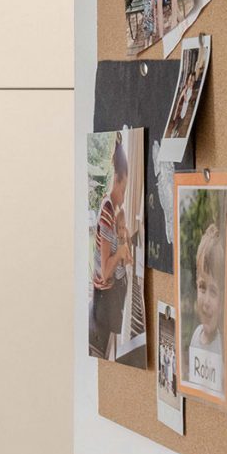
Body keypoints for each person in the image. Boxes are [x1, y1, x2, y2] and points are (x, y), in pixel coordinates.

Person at [89, 136, 130, 360]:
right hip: (103, 300)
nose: (124, 199)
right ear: (117, 179)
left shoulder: (113, 210)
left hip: (109, 296)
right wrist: (121, 254)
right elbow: (105, 272)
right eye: (124, 190)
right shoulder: (106, 211)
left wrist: (124, 245)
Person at [183, 214, 226, 393]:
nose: (206, 301)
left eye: (214, 291)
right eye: (202, 287)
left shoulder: (222, 345)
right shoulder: (195, 335)